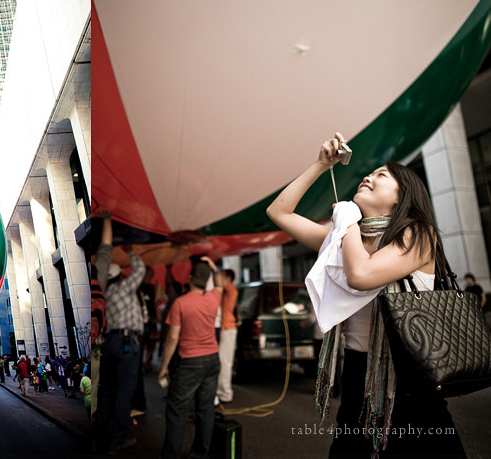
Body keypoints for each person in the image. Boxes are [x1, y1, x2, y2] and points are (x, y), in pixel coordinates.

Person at [266, 132, 466, 457]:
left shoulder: (417, 233)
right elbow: (280, 213)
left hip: (410, 383)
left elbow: (361, 275)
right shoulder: (345, 238)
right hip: (358, 375)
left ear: (402, 197)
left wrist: (345, 222)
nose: (367, 177)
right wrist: (320, 165)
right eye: (369, 174)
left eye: (381, 175)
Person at [158, 257, 224, 458]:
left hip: (189, 362)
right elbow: (220, 284)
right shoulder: (214, 298)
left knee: (177, 409)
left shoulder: (180, 303)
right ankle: (199, 454)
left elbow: (172, 337)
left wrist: (164, 366)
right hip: (212, 359)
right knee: (205, 410)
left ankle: (170, 455)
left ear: (190, 278)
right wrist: (213, 267)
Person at [93, 211, 146, 454]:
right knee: (125, 392)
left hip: (110, 343)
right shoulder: (124, 287)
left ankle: (99, 437)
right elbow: (141, 270)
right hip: (127, 343)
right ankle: (117, 441)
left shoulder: (105, 290)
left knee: (108, 392)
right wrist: (131, 251)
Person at [215, 268, 238, 406]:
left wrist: (213, 267)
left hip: (228, 328)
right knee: (223, 361)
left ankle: (225, 393)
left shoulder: (230, 289)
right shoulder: (227, 290)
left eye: (222, 276)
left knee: (225, 362)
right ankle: (222, 391)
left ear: (228, 278)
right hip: (226, 328)